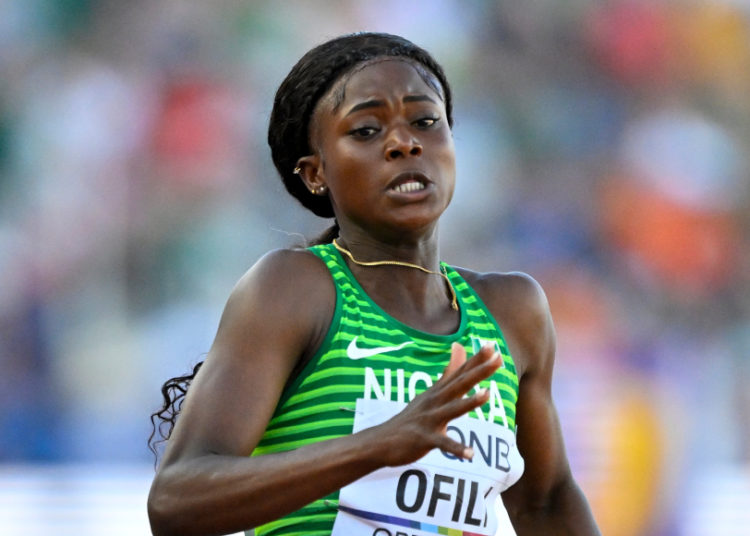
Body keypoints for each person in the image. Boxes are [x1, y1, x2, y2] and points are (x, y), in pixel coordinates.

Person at [147, 32, 601, 536]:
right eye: (365, 129)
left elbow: (545, 503)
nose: (405, 142)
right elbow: (176, 499)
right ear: (315, 173)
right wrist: (377, 445)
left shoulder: (513, 310)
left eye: (426, 121)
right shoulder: (296, 289)